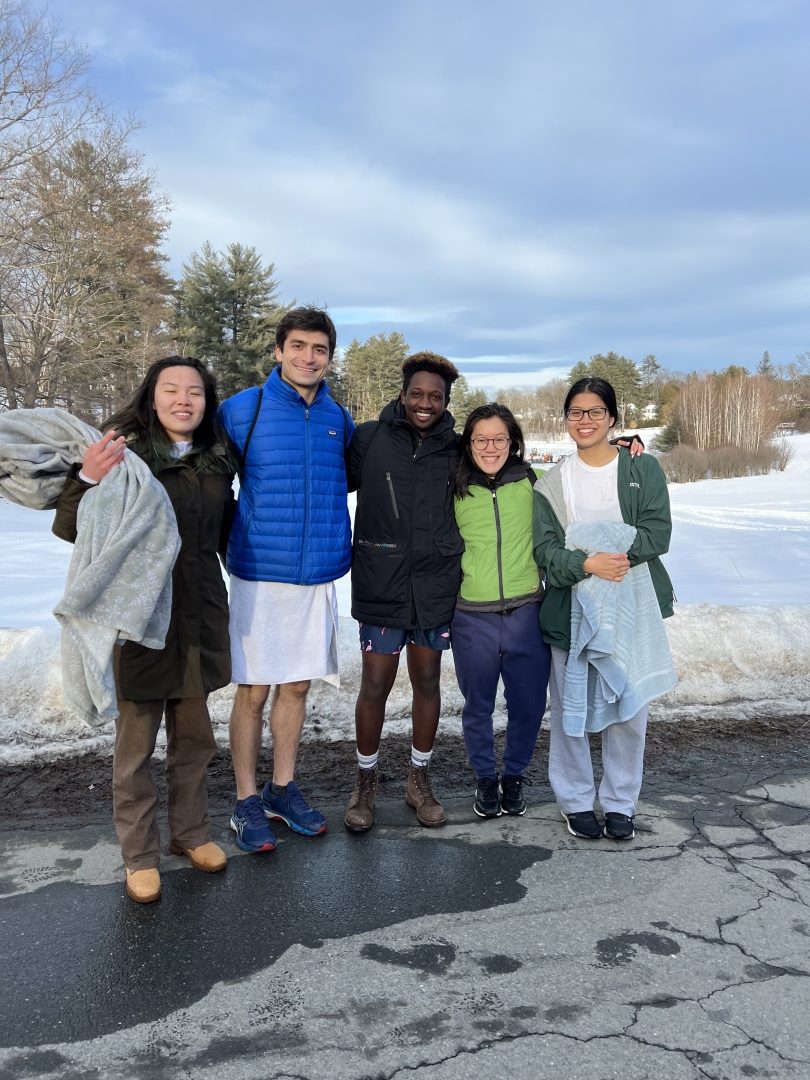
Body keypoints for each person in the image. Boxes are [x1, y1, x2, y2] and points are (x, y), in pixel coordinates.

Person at [53, 356, 237, 903]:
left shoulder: (216, 460)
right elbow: (71, 529)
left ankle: (190, 835)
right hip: (140, 619)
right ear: (151, 397)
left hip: (200, 615)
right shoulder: (123, 456)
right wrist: (86, 477)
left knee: (196, 741)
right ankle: (139, 855)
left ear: (207, 402)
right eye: (172, 390)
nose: (184, 400)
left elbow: (223, 537)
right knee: (135, 748)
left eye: (196, 392)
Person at [219, 306, 353, 852]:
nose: (308, 357)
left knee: (296, 686)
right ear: (278, 351)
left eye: (319, 349)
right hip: (258, 573)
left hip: (316, 575)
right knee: (252, 690)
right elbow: (209, 479)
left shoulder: (337, 418)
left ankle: (282, 789)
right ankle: (246, 799)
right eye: (298, 346)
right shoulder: (241, 410)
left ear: (329, 357)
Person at [533, 377, 675, 841]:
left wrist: (607, 559)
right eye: (576, 412)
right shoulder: (553, 483)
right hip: (569, 612)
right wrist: (585, 562)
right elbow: (546, 553)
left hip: (632, 607)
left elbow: (657, 535)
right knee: (570, 712)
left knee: (628, 709)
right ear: (566, 419)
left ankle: (620, 802)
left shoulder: (642, 468)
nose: (586, 420)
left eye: (596, 412)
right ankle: (575, 801)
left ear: (612, 418)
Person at [343, 353, 463, 831]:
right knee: (375, 684)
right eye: (417, 393)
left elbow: (501, 471)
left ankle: (419, 779)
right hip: (381, 579)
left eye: (436, 396)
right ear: (402, 393)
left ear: (447, 400)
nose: (425, 403)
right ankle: (365, 782)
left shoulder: (456, 449)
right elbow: (328, 482)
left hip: (435, 584)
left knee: (427, 683)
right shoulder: (369, 438)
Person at [451, 404, 551, 818]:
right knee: (478, 704)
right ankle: (485, 779)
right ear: (468, 443)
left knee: (528, 704)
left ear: (513, 442)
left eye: (499, 439)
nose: (490, 447)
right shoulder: (453, 488)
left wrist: (622, 449)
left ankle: (514, 776)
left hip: (527, 612)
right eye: (480, 439)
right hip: (472, 615)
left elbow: (589, 477)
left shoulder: (537, 482)